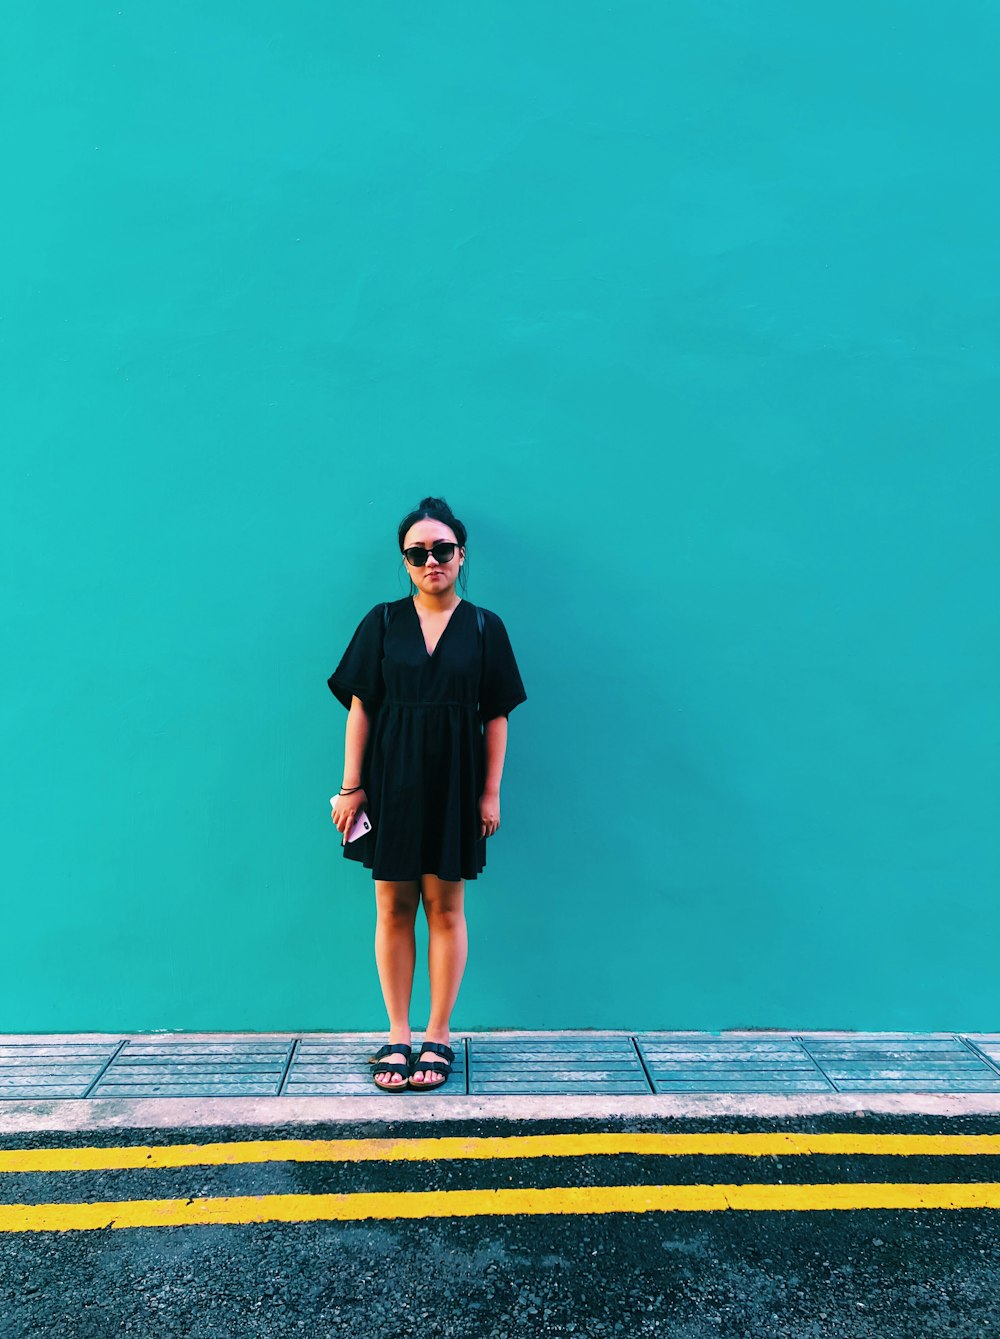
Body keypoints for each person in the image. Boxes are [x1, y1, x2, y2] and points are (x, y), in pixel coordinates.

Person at [327, 496, 527, 1092]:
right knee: (392, 907)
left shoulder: (487, 627)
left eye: (442, 550)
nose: (430, 560)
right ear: (406, 561)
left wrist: (489, 795)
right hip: (390, 781)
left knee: (445, 908)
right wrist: (350, 787)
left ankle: (438, 1034)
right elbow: (361, 708)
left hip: (455, 784)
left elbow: (497, 717)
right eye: (418, 553)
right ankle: (398, 1033)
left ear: (461, 556)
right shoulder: (382, 622)